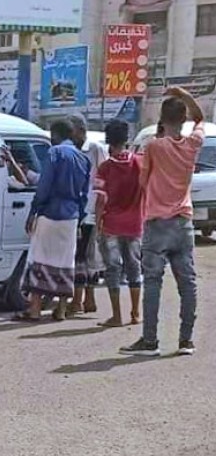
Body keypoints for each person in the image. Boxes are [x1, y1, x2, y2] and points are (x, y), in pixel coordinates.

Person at [121, 87, 204, 357]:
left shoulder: (154, 146)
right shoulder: (193, 144)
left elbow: (143, 181)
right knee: (187, 282)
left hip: (157, 223)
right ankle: (186, 340)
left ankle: (149, 340)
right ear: (183, 119)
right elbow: (200, 118)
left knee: (153, 282)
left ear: (162, 119)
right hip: (183, 222)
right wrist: (185, 95)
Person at [14, 119, 90, 322]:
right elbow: (84, 195)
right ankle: (62, 310)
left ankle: (35, 309)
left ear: (54, 135)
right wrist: (79, 219)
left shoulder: (55, 153)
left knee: (40, 260)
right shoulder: (83, 158)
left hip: (51, 213)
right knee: (65, 262)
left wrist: (33, 212)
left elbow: (44, 187)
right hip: (71, 216)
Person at [94, 120, 143, 327]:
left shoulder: (105, 168)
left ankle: (116, 316)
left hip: (111, 225)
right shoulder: (140, 163)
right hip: (135, 224)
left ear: (108, 142)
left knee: (112, 269)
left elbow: (100, 199)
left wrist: (97, 223)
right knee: (134, 267)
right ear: (127, 140)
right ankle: (135, 313)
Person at [69, 115, 107, 316]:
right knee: (81, 256)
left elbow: (104, 178)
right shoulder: (73, 150)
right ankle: (83, 299)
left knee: (85, 256)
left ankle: (80, 300)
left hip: (91, 210)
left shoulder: (95, 149)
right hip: (78, 210)